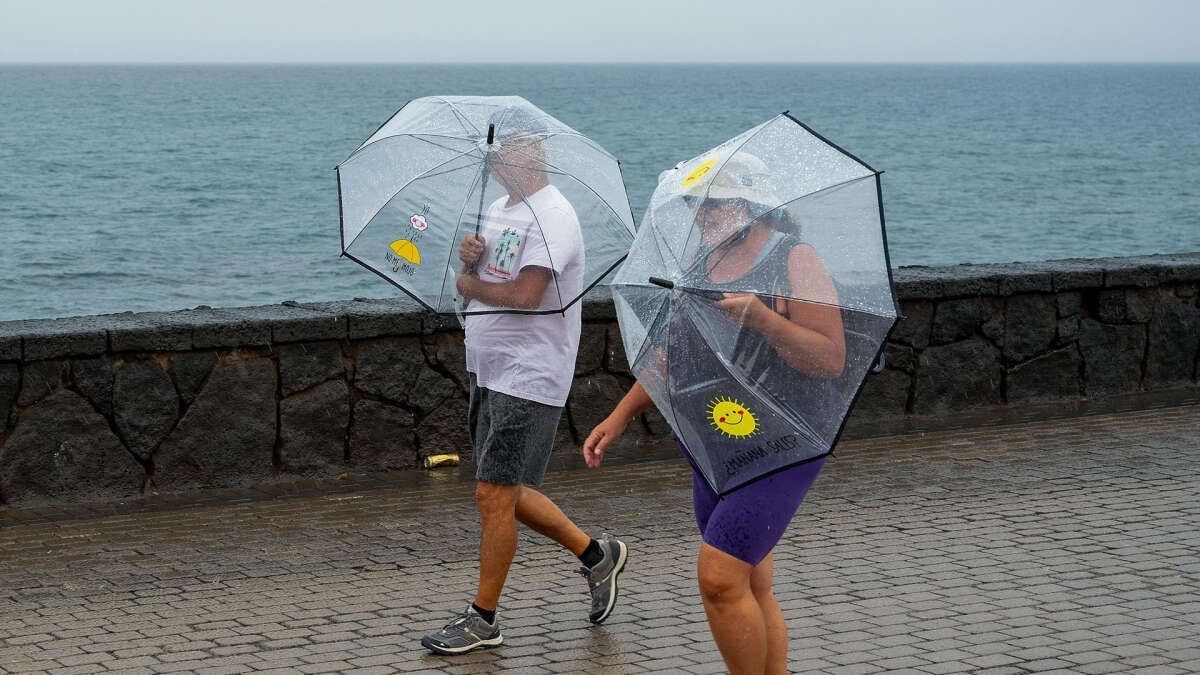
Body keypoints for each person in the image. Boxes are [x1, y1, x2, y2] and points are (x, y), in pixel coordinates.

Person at [583, 153, 845, 675]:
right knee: (751, 582)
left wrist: (764, 320)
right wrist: (621, 414)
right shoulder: (699, 264)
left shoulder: (794, 257)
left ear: (750, 202)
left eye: (714, 203)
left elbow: (830, 358)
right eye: (695, 205)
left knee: (720, 581)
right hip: (712, 446)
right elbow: (669, 358)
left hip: (777, 444)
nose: (702, 215)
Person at [421, 107, 628, 655]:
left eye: (514, 150)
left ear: (536, 154)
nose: (503, 161)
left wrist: (470, 279)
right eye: (498, 153)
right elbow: (487, 282)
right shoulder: (497, 209)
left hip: (529, 374)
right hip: (487, 366)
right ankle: (597, 557)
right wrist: (473, 258)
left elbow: (526, 296)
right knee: (504, 488)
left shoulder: (553, 218)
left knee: (493, 492)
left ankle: (483, 619)